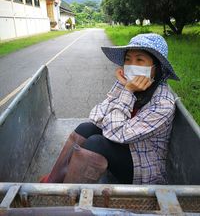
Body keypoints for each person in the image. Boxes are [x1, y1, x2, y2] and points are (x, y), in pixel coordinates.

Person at [40, 33, 179, 185]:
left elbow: (117, 132)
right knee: (85, 128)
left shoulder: (163, 103)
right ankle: (53, 183)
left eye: (139, 60)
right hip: (124, 143)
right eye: (128, 60)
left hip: (142, 167)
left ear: (156, 67)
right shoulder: (126, 84)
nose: (132, 65)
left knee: (96, 144)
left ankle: (68, 198)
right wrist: (125, 89)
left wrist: (127, 92)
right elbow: (96, 116)